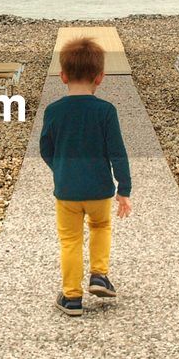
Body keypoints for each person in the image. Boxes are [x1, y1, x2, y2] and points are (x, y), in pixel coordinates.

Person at [39, 37, 132, 316]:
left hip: (67, 191)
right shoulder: (106, 111)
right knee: (101, 227)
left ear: (63, 76)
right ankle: (99, 275)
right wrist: (124, 189)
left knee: (70, 240)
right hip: (100, 190)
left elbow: (45, 149)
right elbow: (118, 153)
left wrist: (61, 169)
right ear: (100, 78)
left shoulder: (54, 111)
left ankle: (71, 297)